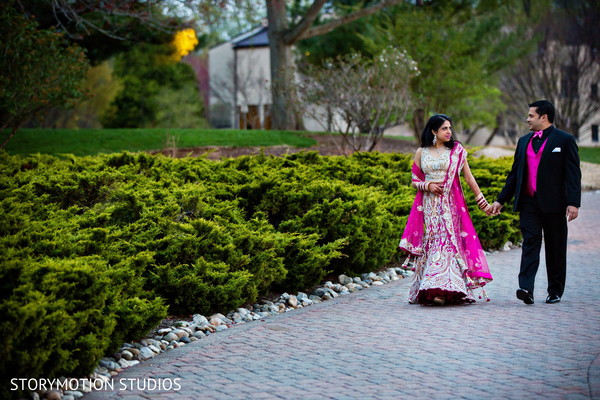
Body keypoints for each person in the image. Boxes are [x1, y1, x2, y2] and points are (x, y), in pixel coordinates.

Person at [490, 100, 581, 305]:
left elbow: (573, 174)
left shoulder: (565, 140)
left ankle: (555, 290)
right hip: (528, 203)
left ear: (544, 117)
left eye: (531, 115)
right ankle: (526, 288)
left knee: (555, 247)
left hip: (555, 204)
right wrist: (500, 200)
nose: (527, 119)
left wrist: (573, 203)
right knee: (530, 244)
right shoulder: (523, 141)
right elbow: (514, 175)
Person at [399, 114, 493, 306]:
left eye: (450, 128)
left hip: (450, 204)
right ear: (434, 131)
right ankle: (430, 287)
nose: (449, 131)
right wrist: (428, 186)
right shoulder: (421, 152)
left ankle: (446, 288)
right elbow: (415, 180)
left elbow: (469, 178)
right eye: (444, 128)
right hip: (430, 205)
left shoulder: (457, 150)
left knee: (448, 241)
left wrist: (482, 202)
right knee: (434, 242)